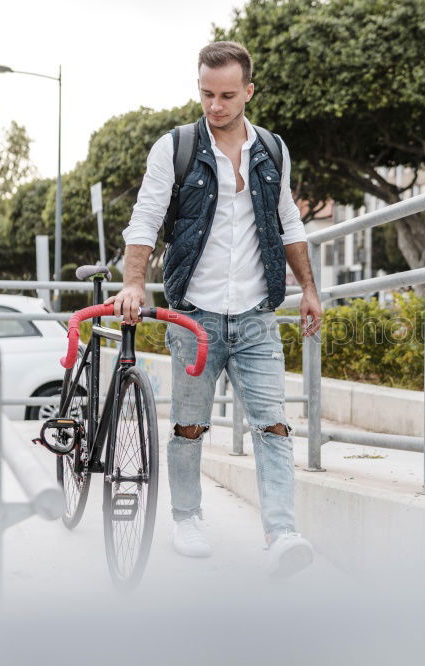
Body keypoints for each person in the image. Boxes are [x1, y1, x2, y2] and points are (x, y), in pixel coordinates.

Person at [107, 41, 322, 578]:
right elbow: (146, 219)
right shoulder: (175, 148)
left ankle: (281, 532)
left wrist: (310, 289)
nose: (215, 106)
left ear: (249, 90)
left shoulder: (272, 149)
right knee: (189, 426)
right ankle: (187, 518)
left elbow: (288, 223)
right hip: (194, 315)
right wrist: (134, 284)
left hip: (255, 315)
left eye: (227, 95)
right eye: (206, 94)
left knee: (273, 425)